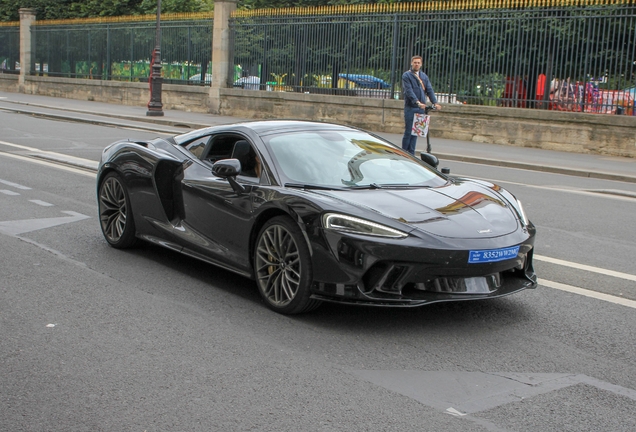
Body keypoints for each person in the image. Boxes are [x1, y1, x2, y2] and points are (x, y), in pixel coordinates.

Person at [401, 55, 442, 155]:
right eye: (415, 62)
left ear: (421, 64)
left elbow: (429, 90)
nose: (416, 64)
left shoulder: (424, 76)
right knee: (408, 132)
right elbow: (409, 91)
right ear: (411, 63)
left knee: (415, 132)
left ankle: (411, 153)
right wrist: (417, 102)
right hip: (411, 107)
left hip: (421, 109)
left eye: (418, 63)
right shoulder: (407, 75)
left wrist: (435, 103)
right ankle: (404, 153)